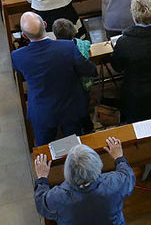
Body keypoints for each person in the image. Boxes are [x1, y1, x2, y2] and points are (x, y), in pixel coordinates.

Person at [34, 137, 135, 225]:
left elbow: (41, 204)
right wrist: (119, 158)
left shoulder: (58, 196)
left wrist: (42, 179)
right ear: (97, 165)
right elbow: (128, 177)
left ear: (67, 172)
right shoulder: (114, 183)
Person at [11, 12, 97, 146]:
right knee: (75, 149)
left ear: (24, 36)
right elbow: (88, 69)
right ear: (45, 25)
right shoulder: (67, 47)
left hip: (42, 111)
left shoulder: (18, 57)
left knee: (44, 150)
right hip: (70, 107)